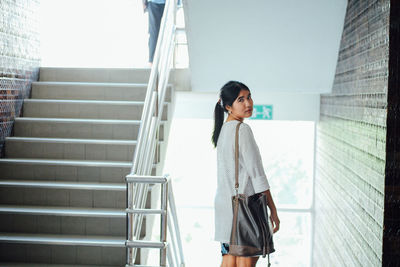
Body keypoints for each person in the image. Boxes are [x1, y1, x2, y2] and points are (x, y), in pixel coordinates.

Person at [212, 81, 280, 267]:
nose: (248, 103)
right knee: (244, 263)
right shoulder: (242, 130)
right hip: (245, 208)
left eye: (249, 97)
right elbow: (257, 175)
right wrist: (272, 210)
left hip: (226, 208)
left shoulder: (223, 132)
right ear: (228, 107)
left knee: (228, 261)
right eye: (240, 99)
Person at [142, 0, 166, 65]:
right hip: (154, 3)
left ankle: (154, 61)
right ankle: (152, 61)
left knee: (162, 33)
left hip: (166, 4)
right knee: (154, 33)